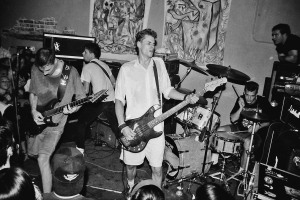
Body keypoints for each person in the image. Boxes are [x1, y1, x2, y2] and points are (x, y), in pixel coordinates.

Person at [115, 28, 199, 195]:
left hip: (156, 127)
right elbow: (118, 101)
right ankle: (131, 186)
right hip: (133, 128)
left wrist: (185, 98)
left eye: (154, 43)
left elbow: (167, 91)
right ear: (138, 44)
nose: (152, 46)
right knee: (131, 167)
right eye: (148, 43)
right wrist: (122, 126)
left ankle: (155, 195)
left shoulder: (159, 65)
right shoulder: (126, 69)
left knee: (157, 169)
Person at [28, 48, 86, 193]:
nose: (45, 73)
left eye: (47, 68)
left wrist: (73, 109)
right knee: (32, 155)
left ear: (54, 61)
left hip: (56, 125)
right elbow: (33, 93)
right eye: (42, 69)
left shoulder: (70, 73)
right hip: (37, 121)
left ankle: (46, 196)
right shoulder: (36, 69)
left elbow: (81, 99)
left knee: (43, 158)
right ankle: (41, 179)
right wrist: (33, 111)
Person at [216, 81, 273, 172]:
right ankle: (216, 163)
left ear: (256, 95)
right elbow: (233, 120)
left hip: (254, 134)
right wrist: (240, 107)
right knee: (220, 130)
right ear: (244, 93)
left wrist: (258, 126)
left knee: (247, 142)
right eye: (247, 95)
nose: (249, 98)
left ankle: (242, 172)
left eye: (252, 96)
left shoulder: (263, 102)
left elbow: (270, 122)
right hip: (239, 130)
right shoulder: (241, 99)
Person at [75, 42, 119, 154]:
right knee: (117, 128)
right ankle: (126, 149)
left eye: (85, 52)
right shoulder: (105, 65)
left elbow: (84, 91)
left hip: (100, 101)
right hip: (111, 100)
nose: (82, 53)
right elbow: (114, 83)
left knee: (81, 123)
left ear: (91, 54)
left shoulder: (87, 67)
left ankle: (79, 152)